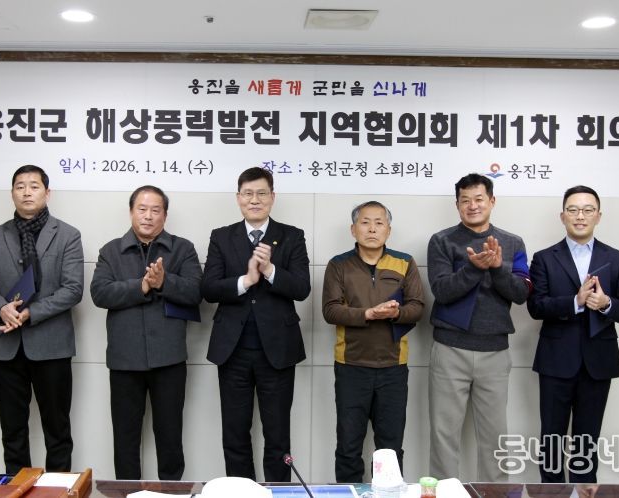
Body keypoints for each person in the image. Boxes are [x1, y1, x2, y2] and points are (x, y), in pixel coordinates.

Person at [201, 167, 311, 482]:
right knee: (235, 434)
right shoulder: (222, 236)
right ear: (238, 198)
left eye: (262, 193)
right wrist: (246, 280)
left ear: (272, 197)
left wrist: (271, 270)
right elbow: (209, 288)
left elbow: (302, 288)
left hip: (277, 351)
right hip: (232, 350)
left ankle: (278, 492)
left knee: (278, 436)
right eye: (248, 193)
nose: (255, 200)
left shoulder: (292, 235)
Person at [0, 164, 84, 474]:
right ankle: (17, 489)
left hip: (51, 346)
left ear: (47, 193)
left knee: (57, 431)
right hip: (5, 348)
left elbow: (73, 289)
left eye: (34, 186)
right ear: (12, 193)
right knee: (12, 432)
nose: (26, 192)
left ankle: (58, 490)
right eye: (20, 186)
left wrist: (29, 313)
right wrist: (1, 308)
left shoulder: (68, 235)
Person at [90, 185, 202, 480]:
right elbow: (99, 293)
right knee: (125, 438)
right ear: (131, 212)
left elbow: (196, 292)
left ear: (165, 215)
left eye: (155, 210)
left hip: (169, 359)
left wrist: (164, 282)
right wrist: (141, 286)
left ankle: (171, 493)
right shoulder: (111, 251)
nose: (148, 216)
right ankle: (128, 494)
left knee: (170, 437)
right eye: (142, 209)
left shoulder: (182, 248)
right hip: (124, 360)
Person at [527, 185, 619, 483]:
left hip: (598, 362)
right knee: (551, 442)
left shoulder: (618, 258)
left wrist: (606, 303)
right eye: (573, 210)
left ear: (598, 216)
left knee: (587, 444)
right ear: (562, 216)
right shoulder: (544, 258)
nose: (580, 216)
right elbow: (535, 307)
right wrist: (575, 302)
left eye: (588, 210)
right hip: (555, 362)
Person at [426, 173, 531, 482]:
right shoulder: (441, 240)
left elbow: (521, 293)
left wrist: (497, 269)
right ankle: (445, 491)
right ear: (457, 204)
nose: (472, 206)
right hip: (450, 349)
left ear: (492, 201)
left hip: (494, 352)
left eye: (479, 199)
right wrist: (474, 268)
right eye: (465, 200)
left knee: (495, 438)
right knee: (444, 434)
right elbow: (442, 291)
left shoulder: (513, 243)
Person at [322, 200, 425, 483]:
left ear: (388, 230)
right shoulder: (338, 264)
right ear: (353, 229)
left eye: (379, 223)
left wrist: (396, 313)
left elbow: (417, 306)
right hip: (351, 367)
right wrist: (368, 313)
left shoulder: (404, 262)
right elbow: (330, 310)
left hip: (393, 368)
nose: (372, 229)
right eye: (365, 222)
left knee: (390, 449)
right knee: (348, 446)